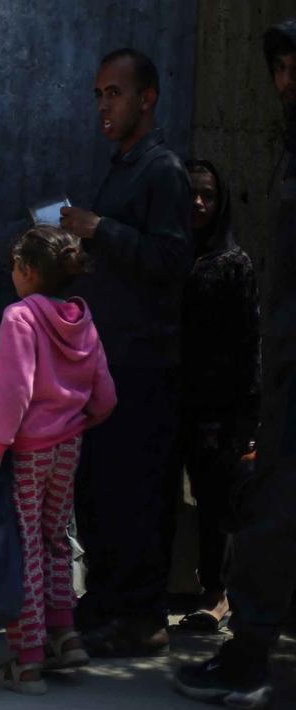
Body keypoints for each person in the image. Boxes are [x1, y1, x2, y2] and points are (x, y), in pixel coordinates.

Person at [174, 21, 296, 708]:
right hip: (275, 383)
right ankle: (246, 652)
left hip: (256, 396)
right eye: (276, 68)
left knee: (266, 518)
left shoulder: (231, 264)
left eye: (292, 67)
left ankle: (247, 654)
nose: (283, 83)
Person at [59, 48, 192, 657]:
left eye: (115, 93)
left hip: (144, 366)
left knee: (138, 490)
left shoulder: (162, 171)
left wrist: (100, 231)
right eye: (98, 94)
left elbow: (172, 261)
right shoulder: (121, 168)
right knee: (102, 488)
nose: (104, 105)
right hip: (105, 361)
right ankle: (107, 604)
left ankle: (142, 617)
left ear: (147, 98)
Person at [0, 226, 117, 695]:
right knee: (57, 537)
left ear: (29, 271)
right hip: (68, 446)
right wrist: (77, 423)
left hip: (29, 451)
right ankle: (66, 635)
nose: (13, 275)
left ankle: (28, 660)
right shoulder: (80, 317)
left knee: (25, 548)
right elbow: (105, 396)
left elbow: (13, 392)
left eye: (16, 267)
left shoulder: (19, 317)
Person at [172, 160, 259, 634]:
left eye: (208, 195)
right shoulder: (171, 254)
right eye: (191, 195)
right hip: (169, 396)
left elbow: (249, 342)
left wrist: (246, 417)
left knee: (215, 503)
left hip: (217, 408)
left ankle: (216, 596)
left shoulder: (232, 263)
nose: (199, 204)